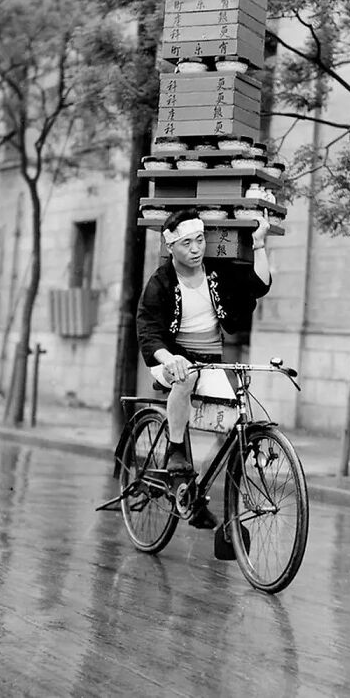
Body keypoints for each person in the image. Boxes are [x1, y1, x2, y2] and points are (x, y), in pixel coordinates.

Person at [136, 207, 271, 525]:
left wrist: (260, 244)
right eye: (186, 243)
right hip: (171, 358)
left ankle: (194, 492)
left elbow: (258, 286)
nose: (196, 249)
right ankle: (177, 453)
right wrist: (169, 358)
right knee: (183, 378)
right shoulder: (161, 282)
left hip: (209, 363)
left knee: (234, 425)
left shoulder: (216, 274)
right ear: (171, 247)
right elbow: (148, 330)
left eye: (200, 240)